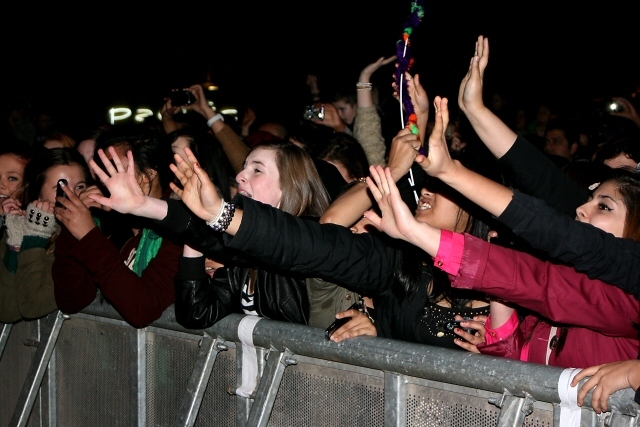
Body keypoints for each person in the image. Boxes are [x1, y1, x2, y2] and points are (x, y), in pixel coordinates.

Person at [51, 129, 182, 328]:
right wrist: (74, 230)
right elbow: (71, 300)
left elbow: (143, 309)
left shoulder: (180, 228)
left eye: (115, 170)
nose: (106, 180)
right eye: (102, 171)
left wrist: (89, 236)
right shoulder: (107, 222)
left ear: (148, 175)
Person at [1, 147, 87, 323]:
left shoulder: (85, 238)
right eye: (61, 189)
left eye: (80, 187)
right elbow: (7, 310)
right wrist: (16, 244)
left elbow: (33, 305)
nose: (73, 196)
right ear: (38, 192)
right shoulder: (22, 227)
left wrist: (35, 239)